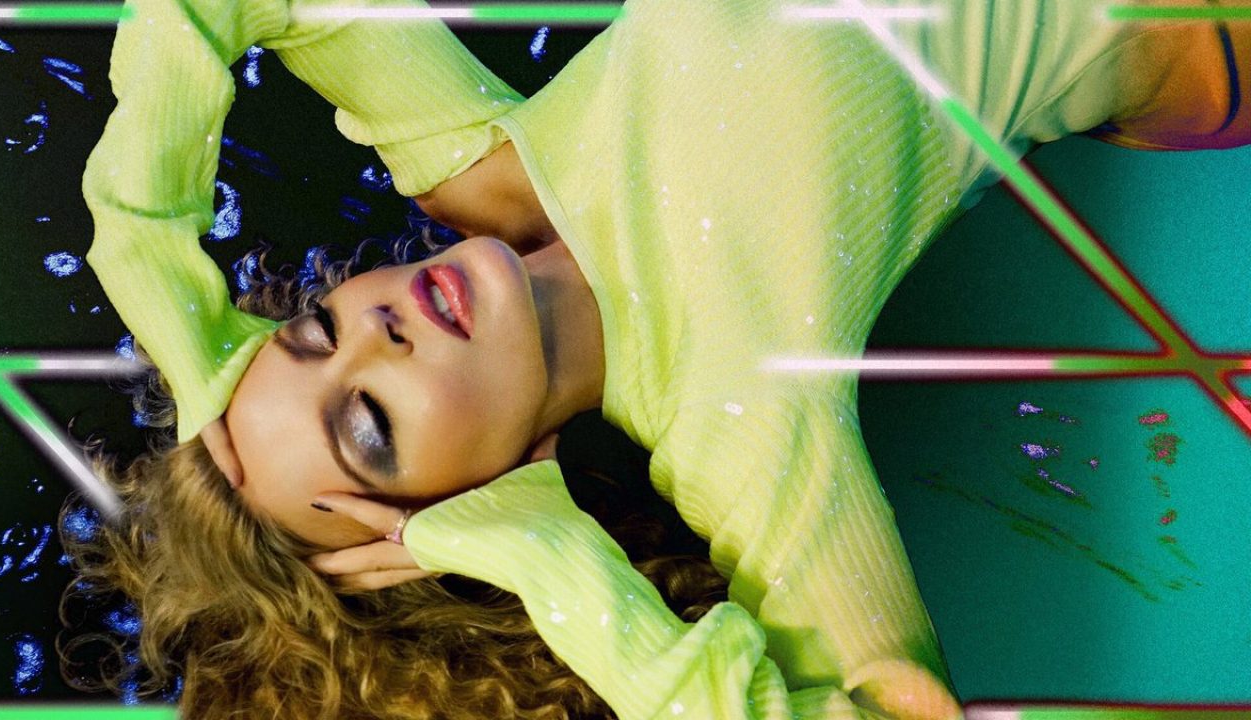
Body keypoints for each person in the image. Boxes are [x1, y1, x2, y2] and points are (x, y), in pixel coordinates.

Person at [69, 0, 1251, 717]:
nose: (375, 333)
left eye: (315, 334)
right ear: (461, 505)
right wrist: (552, 566)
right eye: (370, 424)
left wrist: (140, 236)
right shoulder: (738, 432)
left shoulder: (483, 169)